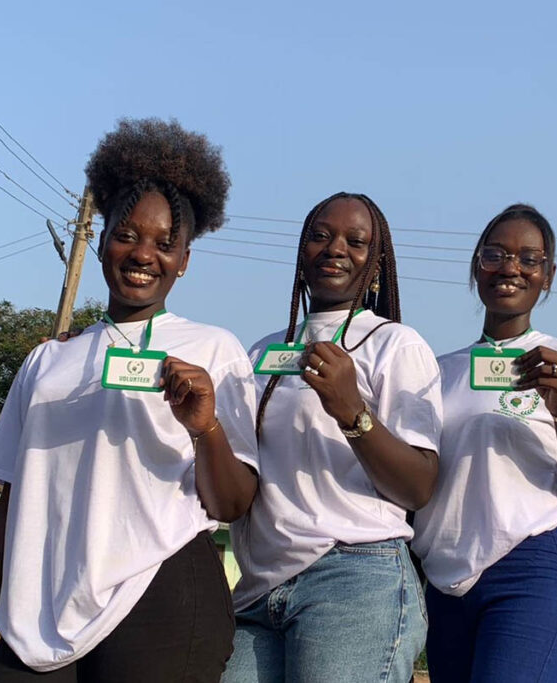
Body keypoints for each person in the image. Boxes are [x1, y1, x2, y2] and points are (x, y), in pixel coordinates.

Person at [0, 118, 259, 683]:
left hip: (162, 600)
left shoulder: (214, 351)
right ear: (102, 239)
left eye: (165, 244)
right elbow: (13, 512)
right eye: (126, 234)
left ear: (184, 260)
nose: (143, 254)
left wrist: (205, 428)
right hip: (37, 614)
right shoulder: (46, 361)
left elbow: (232, 504)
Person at [224, 192, 442, 683]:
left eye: (356, 241)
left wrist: (352, 411)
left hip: (355, 576)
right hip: (260, 585)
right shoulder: (262, 352)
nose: (335, 249)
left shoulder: (395, 344)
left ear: (376, 263)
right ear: (301, 253)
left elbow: (419, 487)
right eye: (319, 236)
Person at [412, 204, 557, 683]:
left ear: (548, 277)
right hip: (444, 580)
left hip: (529, 565)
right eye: (495, 254)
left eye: (530, 259)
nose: (511, 268)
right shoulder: (433, 371)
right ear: (475, 267)